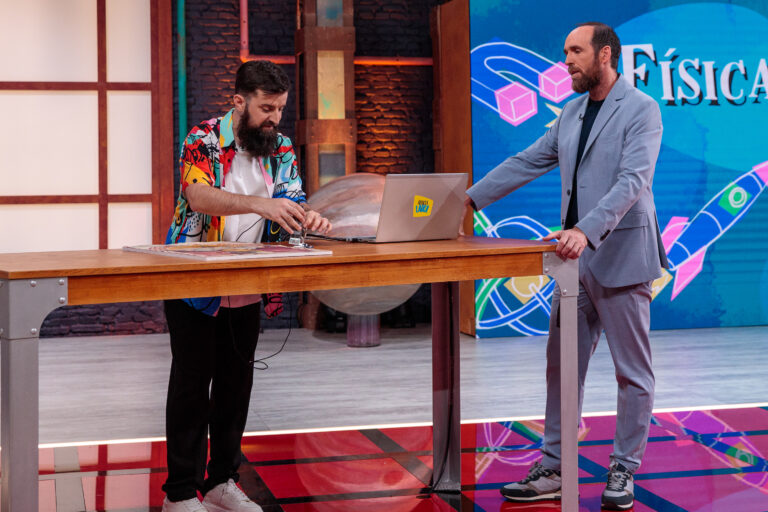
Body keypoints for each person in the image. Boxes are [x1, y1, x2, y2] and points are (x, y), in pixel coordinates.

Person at [465, 23, 667, 510]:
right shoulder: (571, 112)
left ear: (606, 55)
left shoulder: (642, 110)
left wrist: (585, 229)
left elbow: (632, 181)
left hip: (619, 256)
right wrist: (466, 201)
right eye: (564, 53)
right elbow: (528, 160)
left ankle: (624, 468)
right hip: (574, 266)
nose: (567, 61)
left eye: (576, 51)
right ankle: (555, 466)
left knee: (632, 373)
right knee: (562, 368)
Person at [161, 60, 331, 512]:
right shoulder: (202, 140)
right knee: (192, 388)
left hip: (249, 281)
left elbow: (292, 197)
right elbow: (198, 195)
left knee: (236, 389)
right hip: (193, 280)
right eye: (266, 108)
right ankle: (179, 493)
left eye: (280, 109)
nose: (274, 118)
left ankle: (221, 482)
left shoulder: (281, 147)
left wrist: (305, 213)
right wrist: (263, 203)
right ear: (239, 101)